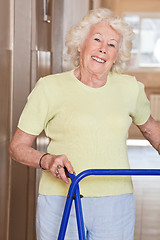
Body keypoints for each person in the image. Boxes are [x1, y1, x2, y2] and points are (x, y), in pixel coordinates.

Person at [9, 8, 160, 240]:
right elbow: (17, 147)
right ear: (80, 44)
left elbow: (151, 129)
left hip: (115, 201)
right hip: (61, 198)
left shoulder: (130, 88)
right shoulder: (49, 88)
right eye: (97, 39)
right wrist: (47, 160)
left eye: (112, 44)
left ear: (117, 54)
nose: (103, 49)